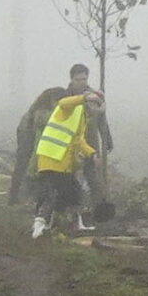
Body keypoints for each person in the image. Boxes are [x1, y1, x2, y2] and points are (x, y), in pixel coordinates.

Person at [30, 90, 103, 239]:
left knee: (73, 192)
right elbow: (63, 103)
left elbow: (77, 140)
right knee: (52, 193)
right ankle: (40, 225)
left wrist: (91, 153)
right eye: (95, 105)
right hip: (52, 157)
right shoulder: (72, 109)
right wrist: (83, 97)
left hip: (62, 161)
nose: (96, 109)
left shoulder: (82, 118)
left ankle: (65, 223)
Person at [10, 86, 70, 206]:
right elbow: (41, 121)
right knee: (23, 162)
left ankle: (34, 197)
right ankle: (14, 196)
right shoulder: (43, 105)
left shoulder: (56, 102)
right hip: (27, 131)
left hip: (41, 135)